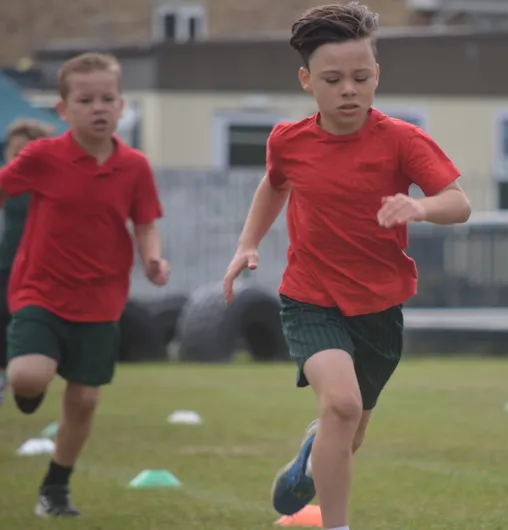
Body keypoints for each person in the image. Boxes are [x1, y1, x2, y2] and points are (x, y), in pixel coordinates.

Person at [222, 3, 471, 528]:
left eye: (361, 78)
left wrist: (420, 207)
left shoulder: (402, 139)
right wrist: (248, 243)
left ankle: (310, 459)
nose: (349, 90)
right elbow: (274, 185)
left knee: (349, 429)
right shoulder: (288, 140)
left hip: (379, 306)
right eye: (333, 80)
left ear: (377, 75)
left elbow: (459, 203)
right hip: (309, 299)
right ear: (307, 81)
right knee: (341, 405)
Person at [0, 52, 169, 517]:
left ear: (121, 105)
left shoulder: (135, 167)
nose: (99, 108)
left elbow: (145, 224)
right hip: (40, 290)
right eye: (86, 99)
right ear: (63, 109)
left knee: (85, 399)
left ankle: (55, 487)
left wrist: (153, 259)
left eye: (107, 99)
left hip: (101, 300)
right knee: (27, 375)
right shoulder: (42, 157)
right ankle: (29, 391)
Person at [0, 120, 55, 406]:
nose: (14, 156)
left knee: (29, 326)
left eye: (22, 150)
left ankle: (31, 381)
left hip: (41, 270)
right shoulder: (6, 181)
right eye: (11, 150)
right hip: (6, 264)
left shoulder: (49, 184)